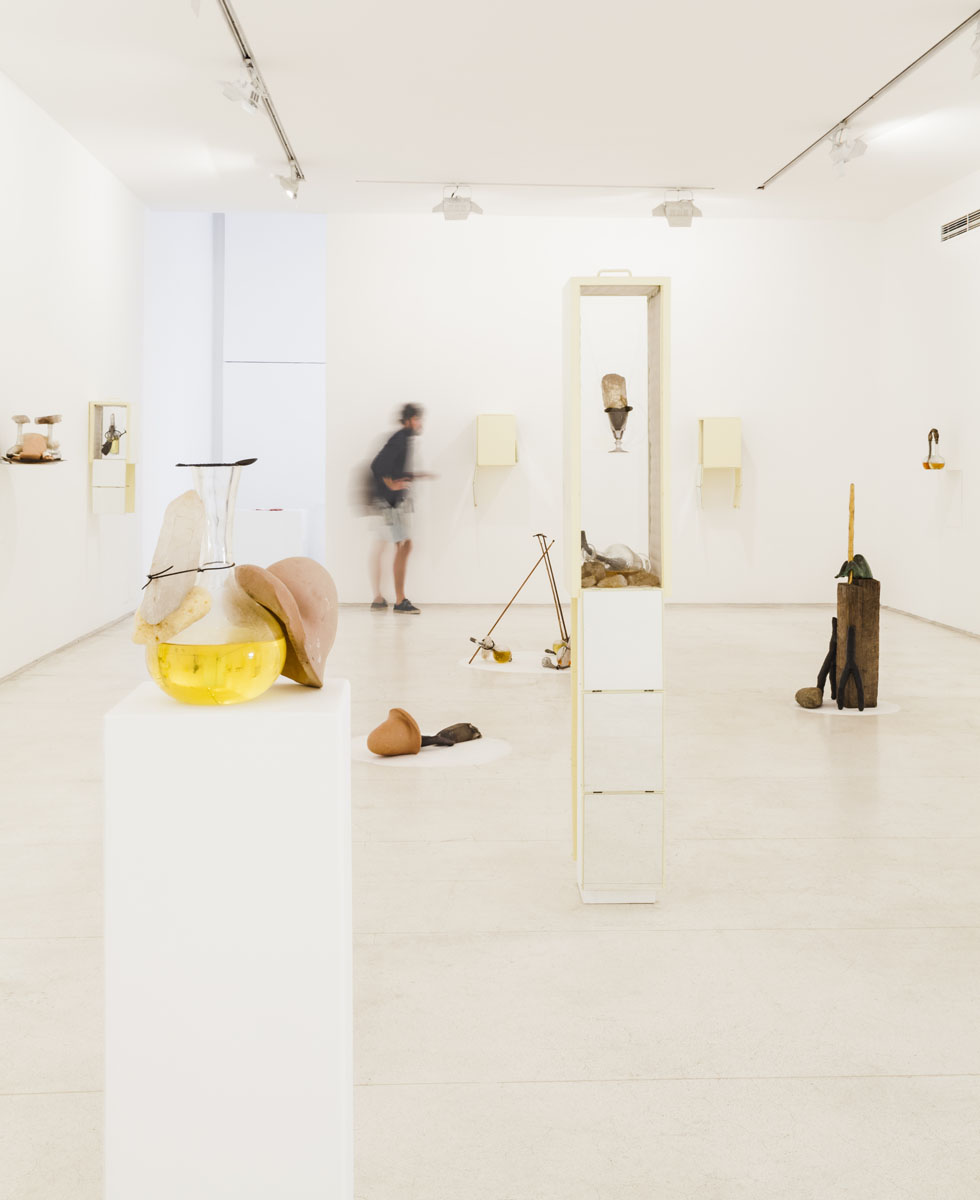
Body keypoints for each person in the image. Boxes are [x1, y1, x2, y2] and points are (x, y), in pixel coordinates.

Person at [368, 403, 432, 614]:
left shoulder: (403, 439)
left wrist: (416, 476)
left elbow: (391, 468)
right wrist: (391, 485)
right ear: (409, 420)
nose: (420, 423)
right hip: (391, 504)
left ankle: (381, 598)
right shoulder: (400, 439)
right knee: (404, 545)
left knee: (398, 545)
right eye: (418, 419)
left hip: (390, 503)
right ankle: (400, 600)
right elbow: (377, 465)